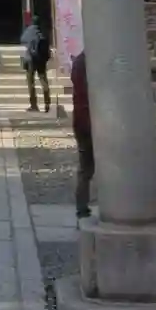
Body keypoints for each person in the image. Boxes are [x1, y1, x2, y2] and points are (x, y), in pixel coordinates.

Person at [71, 48, 94, 217]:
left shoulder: (79, 61)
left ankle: (81, 206)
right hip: (90, 119)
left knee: (85, 167)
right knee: (87, 167)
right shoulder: (90, 63)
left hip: (81, 118)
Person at [19, 17, 53, 113]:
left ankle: (34, 105)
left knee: (31, 83)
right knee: (44, 81)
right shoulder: (42, 32)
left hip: (30, 60)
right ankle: (47, 103)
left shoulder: (28, 31)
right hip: (41, 61)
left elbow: (22, 40)